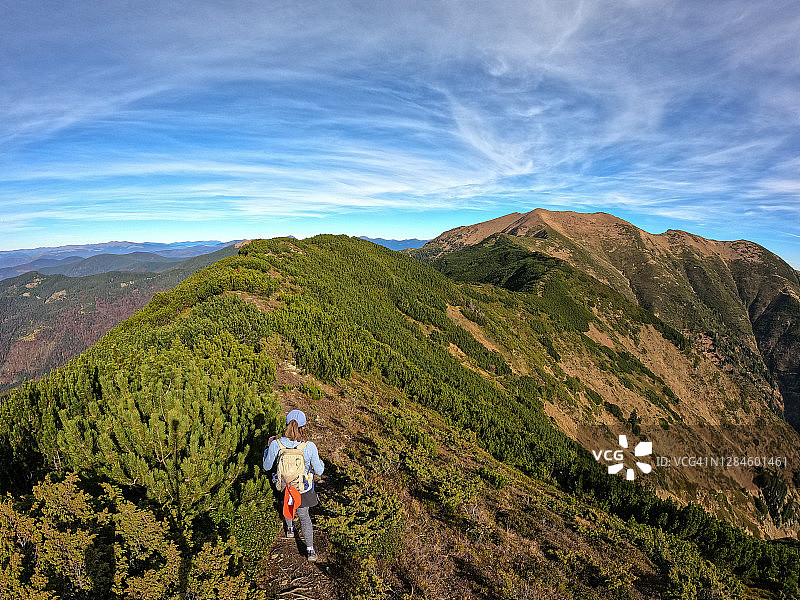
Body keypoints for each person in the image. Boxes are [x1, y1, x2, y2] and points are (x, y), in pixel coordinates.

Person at [263, 409, 324, 562]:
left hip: (284, 486)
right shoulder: (309, 446)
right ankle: (310, 550)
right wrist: (320, 461)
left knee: (287, 504)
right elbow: (319, 470)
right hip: (303, 489)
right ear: (303, 427)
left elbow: (266, 466)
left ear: (286, 425)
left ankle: (290, 529)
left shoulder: (276, 444)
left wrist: (267, 448)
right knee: (304, 516)